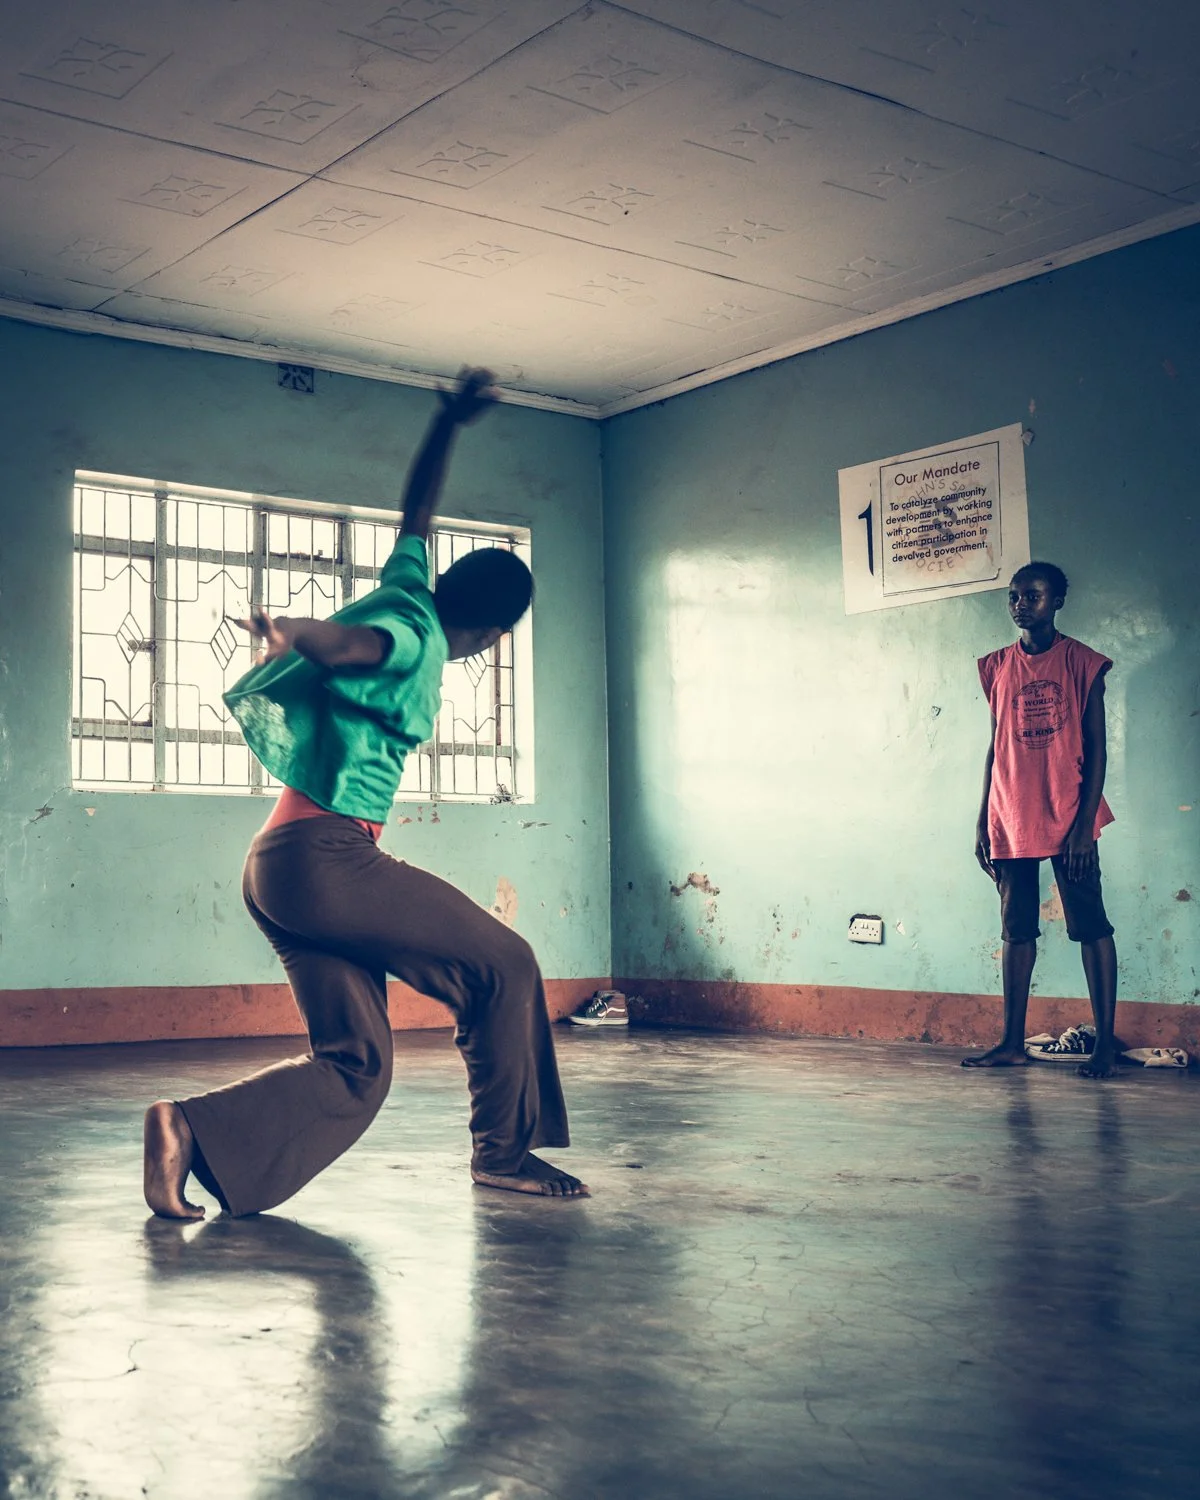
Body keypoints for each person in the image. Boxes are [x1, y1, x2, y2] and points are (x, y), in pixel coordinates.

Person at [144, 368, 588, 1218]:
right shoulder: (413, 638)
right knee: (506, 964)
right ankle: (504, 1152)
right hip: (326, 862)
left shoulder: (411, 583)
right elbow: (356, 646)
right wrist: (295, 634)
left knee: (356, 1065)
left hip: (277, 865)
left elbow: (416, 513)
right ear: (495, 635)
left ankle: (187, 1133)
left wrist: (449, 424)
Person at [963, 562, 1119, 1078]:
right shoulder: (997, 667)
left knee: (1090, 925)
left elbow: (1097, 750)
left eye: (1032, 595)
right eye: (1013, 596)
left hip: (1068, 815)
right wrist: (984, 820)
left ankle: (1102, 1047)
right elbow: (995, 746)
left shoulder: (1081, 663)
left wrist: (1081, 826)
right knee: (1016, 932)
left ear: (1057, 602)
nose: (1020, 603)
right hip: (1011, 815)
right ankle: (1010, 1041)